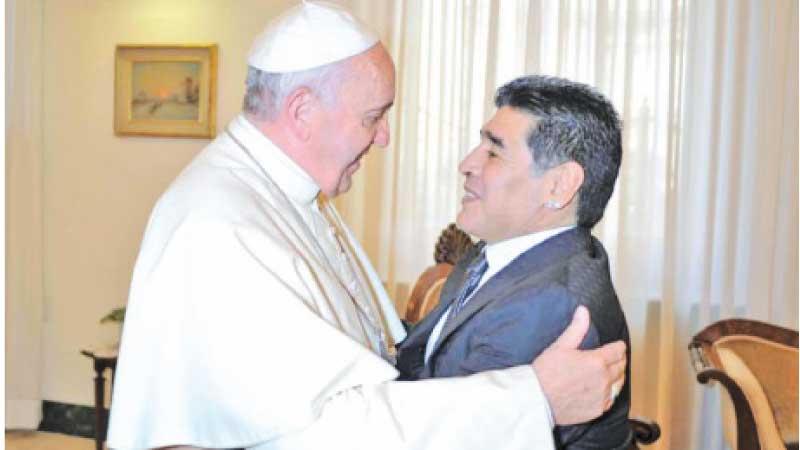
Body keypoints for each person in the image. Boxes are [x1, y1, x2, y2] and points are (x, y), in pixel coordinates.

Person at [107, 3, 626, 450]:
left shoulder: (279, 192)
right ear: (303, 111)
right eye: (372, 116)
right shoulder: (219, 225)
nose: (382, 139)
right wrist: (534, 398)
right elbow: (325, 432)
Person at [396, 75, 631, 449]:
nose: (466, 164)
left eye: (493, 151)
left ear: (559, 185)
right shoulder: (499, 254)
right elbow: (427, 356)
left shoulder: (550, 303)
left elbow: (444, 434)